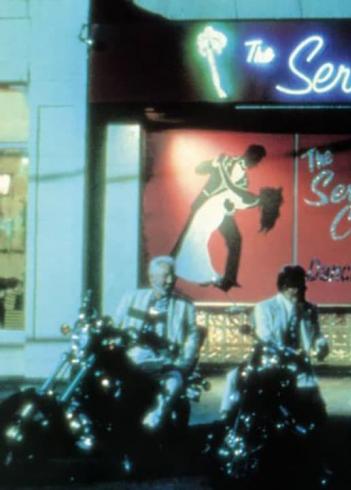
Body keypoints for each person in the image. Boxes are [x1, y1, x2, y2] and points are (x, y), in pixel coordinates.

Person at [219, 264, 329, 417]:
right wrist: (289, 352)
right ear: (287, 288)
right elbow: (266, 336)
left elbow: (316, 334)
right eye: (298, 286)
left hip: (300, 364)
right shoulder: (265, 308)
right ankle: (228, 415)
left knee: (317, 409)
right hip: (272, 363)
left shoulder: (309, 309)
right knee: (235, 377)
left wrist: (321, 345)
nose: (303, 290)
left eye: (303, 285)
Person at [172, 144, 282, 292]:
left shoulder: (244, 181)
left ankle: (226, 279)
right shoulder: (227, 161)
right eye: (255, 159)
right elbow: (199, 169)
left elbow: (233, 195)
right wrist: (214, 163)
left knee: (230, 239)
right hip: (205, 203)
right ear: (248, 154)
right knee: (187, 238)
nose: (255, 163)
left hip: (218, 209)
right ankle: (173, 269)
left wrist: (230, 208)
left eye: (257, 160)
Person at [113, 256, 203, 431]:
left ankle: (155, 419)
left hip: (164, 362)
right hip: (130, 358)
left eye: (172, 276)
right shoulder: (131, 298)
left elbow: (192, 340)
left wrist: (182, 365)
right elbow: (116, 325)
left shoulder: (185, 306)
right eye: (165, 276)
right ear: (151, 277)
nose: (170, 281)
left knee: (174, 381)